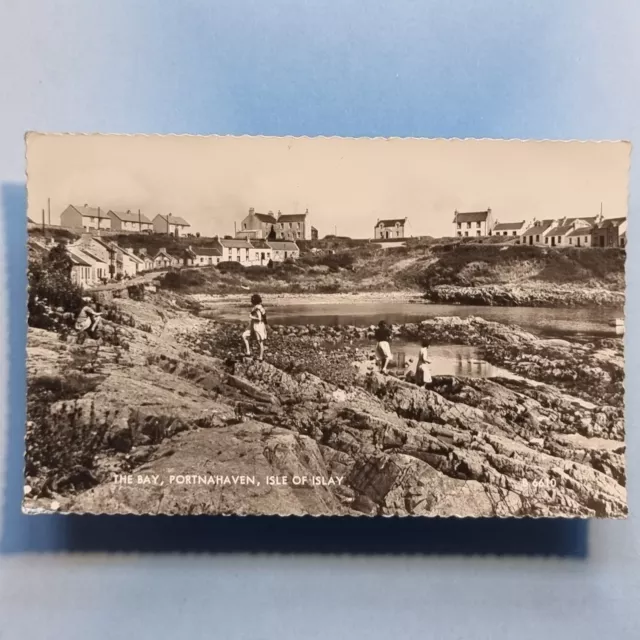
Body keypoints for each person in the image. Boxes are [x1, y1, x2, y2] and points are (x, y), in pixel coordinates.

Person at [242, 293, 268, 360]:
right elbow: (263, 318)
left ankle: (259, 356)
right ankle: (252, 354)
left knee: (259, 342)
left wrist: (251, 317)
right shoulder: (260, 307)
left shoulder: (257, 308)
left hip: (257, 326)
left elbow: (259, 319)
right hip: (256, 325)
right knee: (246, 336)